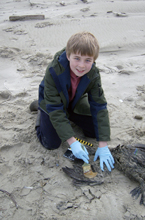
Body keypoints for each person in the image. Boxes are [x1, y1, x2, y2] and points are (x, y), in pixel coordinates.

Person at [35, 31, 114, 172]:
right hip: (51, 104)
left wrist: (103, 144)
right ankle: (39, 113)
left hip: (73, 102)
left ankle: (69, 115)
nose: (82, 65)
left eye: (88, 60)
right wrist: (72, 142)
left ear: (94, 60)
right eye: (77, 58)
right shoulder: (53, 70)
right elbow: (55, 108)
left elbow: (99, 105)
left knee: (94, 132)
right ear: (68, 55)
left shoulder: (93, 73)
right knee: (52, 143)